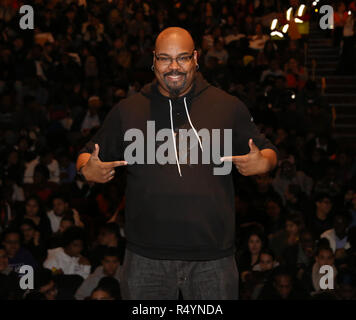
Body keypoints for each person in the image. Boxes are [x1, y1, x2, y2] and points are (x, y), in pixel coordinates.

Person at [76, 27, 278, 300]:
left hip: (212, 259)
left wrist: (264, 164)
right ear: (153, 60)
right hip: (145, 259)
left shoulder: (227, 107)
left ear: (196, 58)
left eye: (182, 58)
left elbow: (268, 150)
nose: (174, 67)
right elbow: (87, 154)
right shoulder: (128, 110)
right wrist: (86, 168)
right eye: (164, 58)